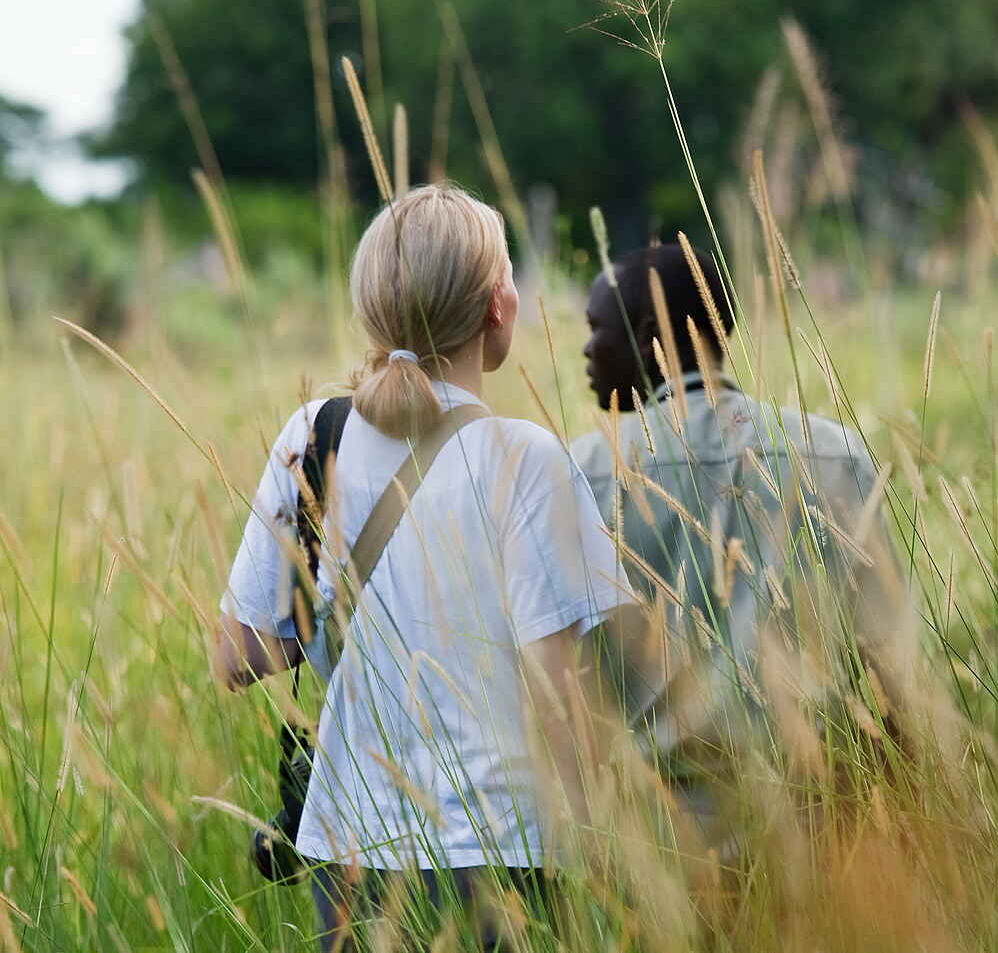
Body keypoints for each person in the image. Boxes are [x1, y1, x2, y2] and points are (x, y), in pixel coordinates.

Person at [216, 184, 634, 951]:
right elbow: (558, 691)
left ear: (372, 306)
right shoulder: (525, 457)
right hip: (503, 850)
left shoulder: (314, 433)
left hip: (350, 849)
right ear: (497, 307)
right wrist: (604, 849)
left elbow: (240, 656)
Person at [570, 242, 907, 866]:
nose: (586, 349)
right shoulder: (833, 454)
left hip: (653, 850)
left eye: (596, 328)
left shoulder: (581, 473)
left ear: (646, 334)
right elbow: (894, 672)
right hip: (815, 838)